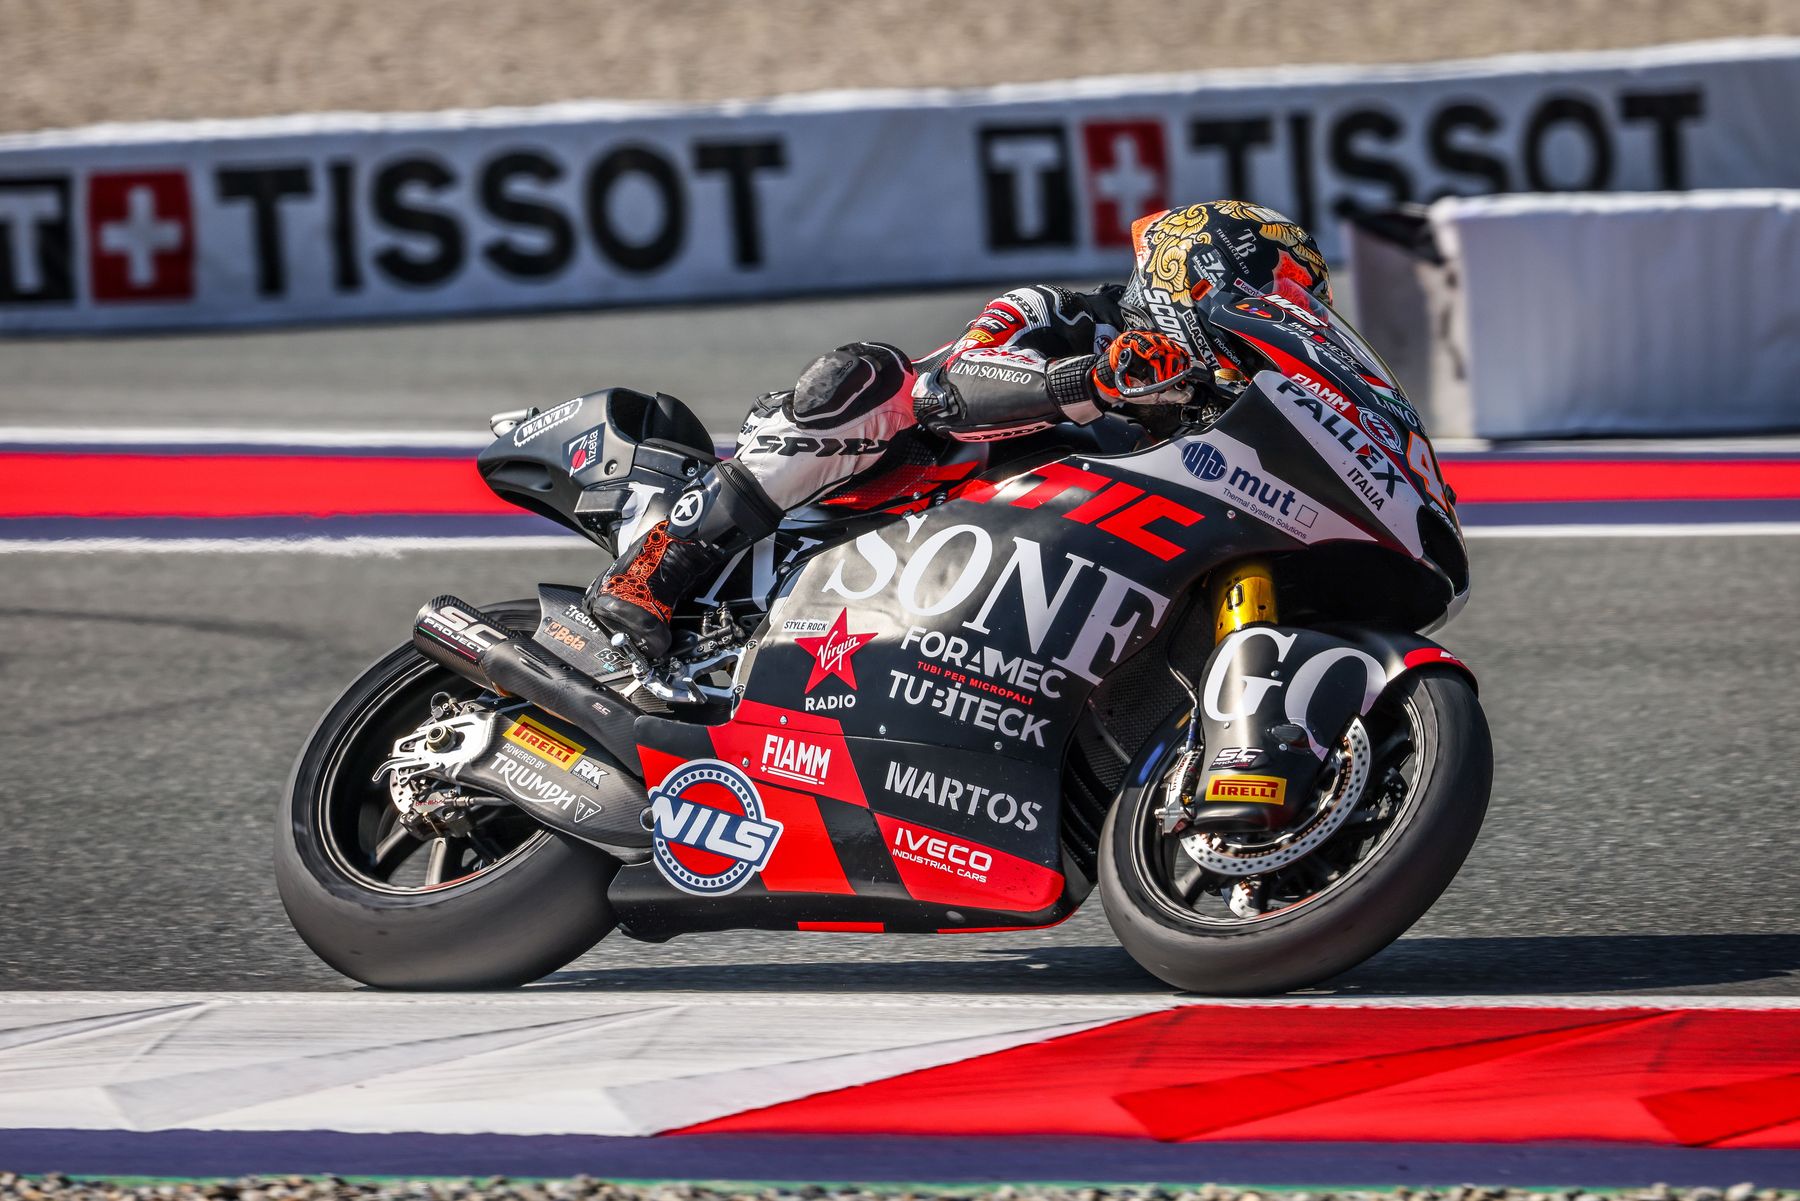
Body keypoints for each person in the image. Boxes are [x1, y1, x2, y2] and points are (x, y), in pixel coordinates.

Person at [585, 200, 1334, 659]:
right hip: (871, 505)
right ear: (1193, 275)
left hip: (994, 602)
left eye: (1296, 304)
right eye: (1267, 291)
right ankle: (657, 564)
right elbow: (949, 390)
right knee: (872, 375)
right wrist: (1091, 379)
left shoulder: (1213, 424)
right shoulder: (1060, 313)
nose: (1278, 312)